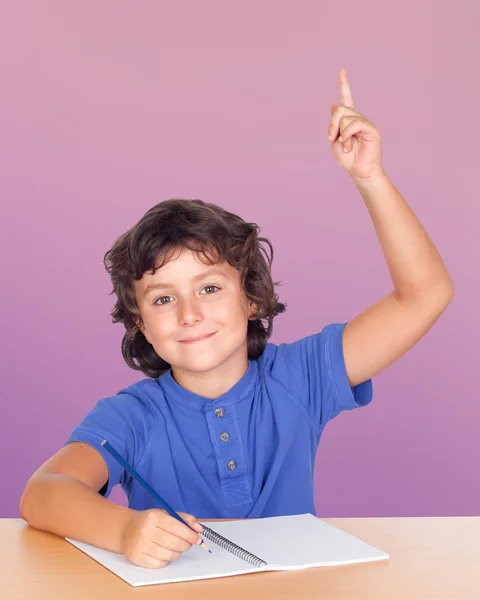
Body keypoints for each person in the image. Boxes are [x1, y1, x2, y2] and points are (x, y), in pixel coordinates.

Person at [20, 69, 454, 569]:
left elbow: (425, 295)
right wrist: (123, 529)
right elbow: (42, 493)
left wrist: (370, 178)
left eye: (209, 288)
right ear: (140, 323)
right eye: (163, 300)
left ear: (252, 299)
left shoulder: (302, 377)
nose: (190, 314)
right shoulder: (131, 417)